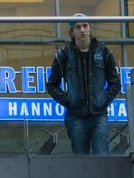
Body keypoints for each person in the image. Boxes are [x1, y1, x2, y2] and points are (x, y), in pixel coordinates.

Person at [46, 15, 121, 156]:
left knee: (102, 156)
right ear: (72, 31)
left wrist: (104, 99)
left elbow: (115, 82)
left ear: (90, 28)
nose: (82, 30)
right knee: (81, 160)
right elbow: (51, 85)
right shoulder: (64, 55)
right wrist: (68, 100)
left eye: (85, 26)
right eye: (78, 27)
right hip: (76, 116)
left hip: (99, 115)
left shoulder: (104, 52)